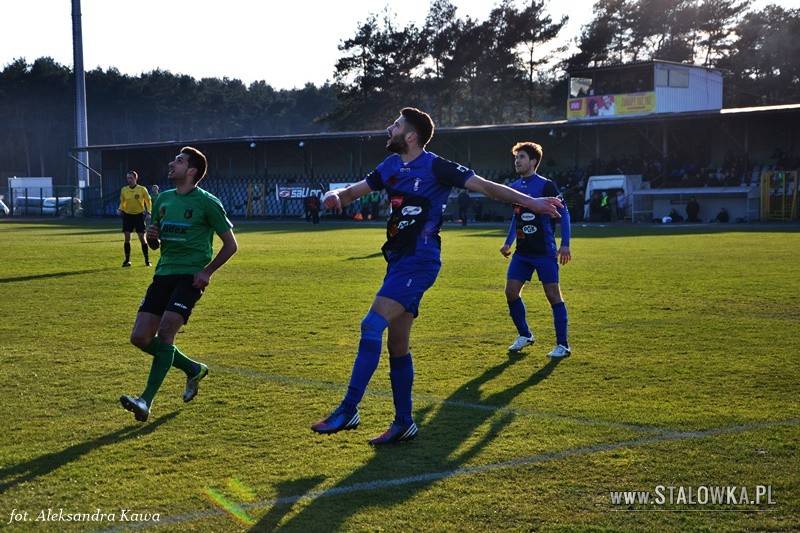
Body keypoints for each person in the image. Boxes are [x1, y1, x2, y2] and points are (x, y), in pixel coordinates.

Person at [310, 107, 563, 444]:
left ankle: (349, 407)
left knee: (371, 325)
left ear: (411, 136)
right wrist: (335, 196)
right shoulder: (390, 166)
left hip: (420, 259)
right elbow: (353, 191)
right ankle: (403, 423)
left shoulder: (436, 165)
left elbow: (486, 187)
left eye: (396, 125)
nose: (390, 127)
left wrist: (532, 203)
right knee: (397, 345)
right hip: (398, 260)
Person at [119, 146, 238, 422]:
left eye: (179, 161)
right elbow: (156, 243)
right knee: (139, 338)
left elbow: (231, 245)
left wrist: (207, 272)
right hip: (163, 274)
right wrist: (151, 238)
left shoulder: (207, 202)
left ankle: (145, 401)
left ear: (192, 171)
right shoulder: (163, 199)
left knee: (165, 332)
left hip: (189, 278)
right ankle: (193, 368)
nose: (172, 164)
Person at [501, 142, 572, 358]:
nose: (517, 161)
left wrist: (565, 244)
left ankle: (563, 345)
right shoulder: (513, 186)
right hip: (522, 253)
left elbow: (565, 214)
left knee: (553, 295)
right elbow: (517, 217)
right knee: (511, 291)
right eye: (516, 158)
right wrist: (508, 242)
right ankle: (525, 335)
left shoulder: (546, 186)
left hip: (544, 252)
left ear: (533, 161)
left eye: (521, 157)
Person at [118, 171, 152, 267]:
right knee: (127, 238)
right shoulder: (124, 189)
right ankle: (127, 260)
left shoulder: (142, 189)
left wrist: (148, 212)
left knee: (142, 238)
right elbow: (122, 202)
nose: (129, 180)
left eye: (131, 178)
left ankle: (147, 260)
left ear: (135, 178)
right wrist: (120, 209)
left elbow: (148, 201)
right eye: (128, 178)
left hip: (139, 216)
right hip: (127, 216)